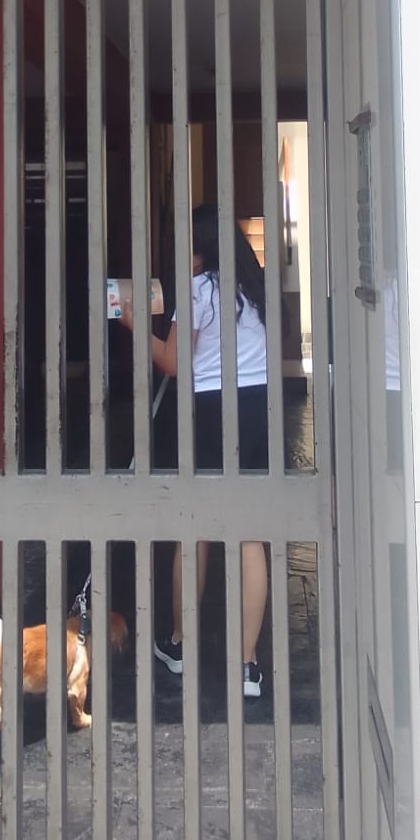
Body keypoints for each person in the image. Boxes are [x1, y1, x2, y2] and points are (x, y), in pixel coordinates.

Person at [119, 203, 269, 700]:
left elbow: (172, 362)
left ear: (201, 245)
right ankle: (247, 666)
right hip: (257, 409)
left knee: (196, 529)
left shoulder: (199, 289)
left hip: (210, 411)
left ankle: (181, 644)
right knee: (249, 534)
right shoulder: (253, 288)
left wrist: (131, 323)